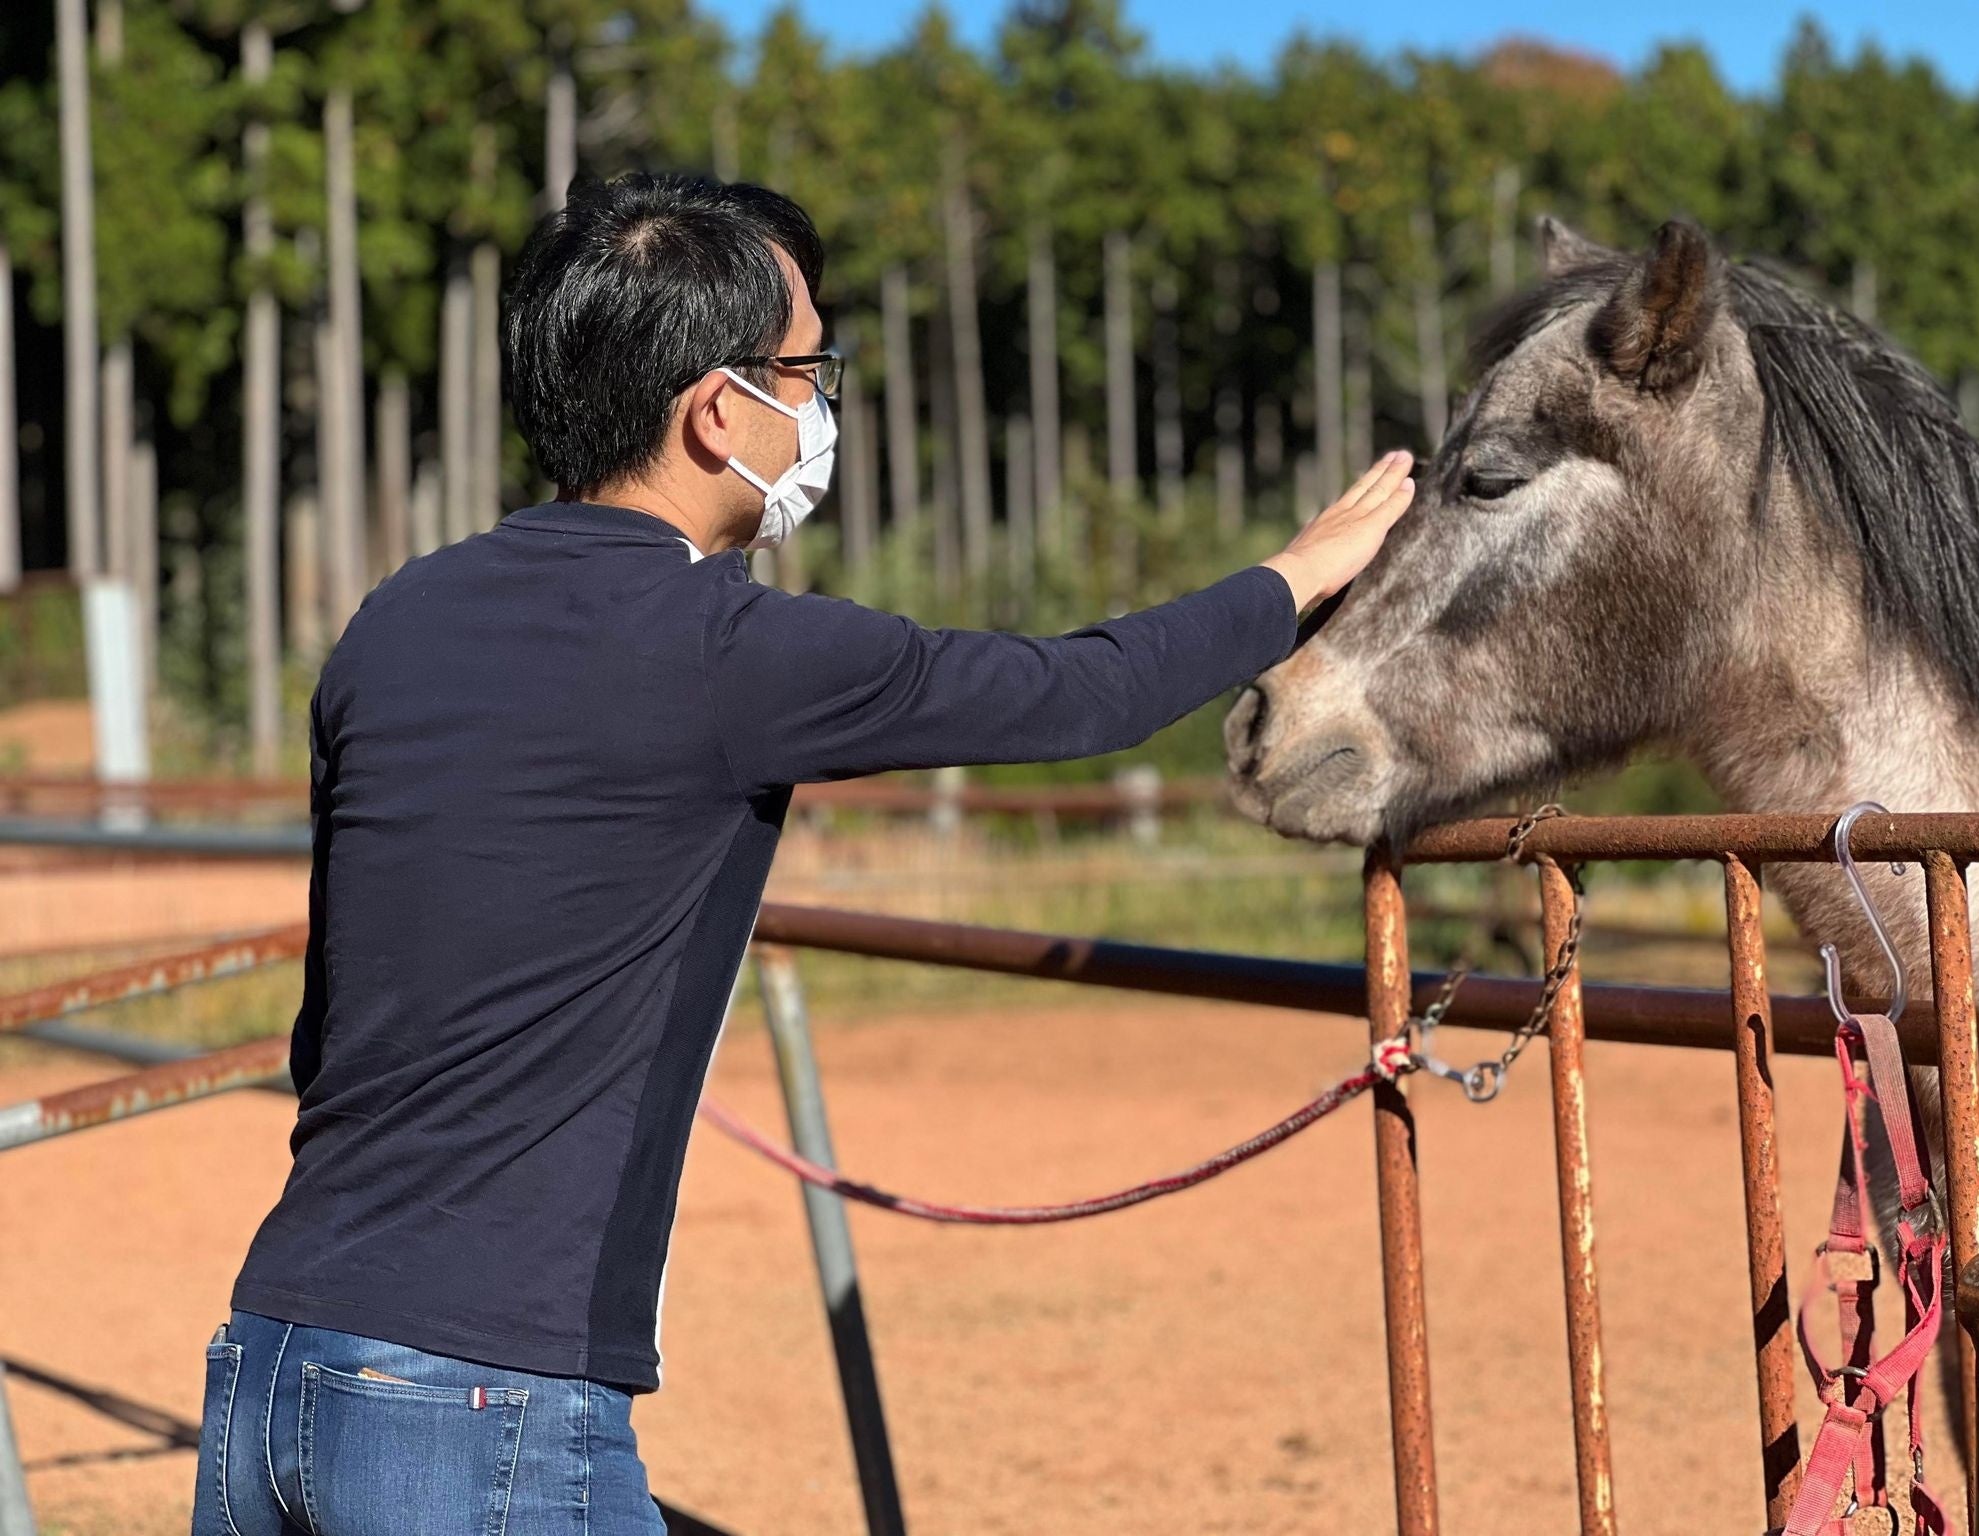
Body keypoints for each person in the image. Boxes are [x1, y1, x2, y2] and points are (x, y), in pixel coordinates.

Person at [190, 172, 1413, 1535]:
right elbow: (1080, 694)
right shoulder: (726, 645)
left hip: (269, 1370)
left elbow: (332, 1028)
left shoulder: (396, 622)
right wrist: (1297, 575)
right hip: (484, 1406)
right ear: (718, 410)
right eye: (806, 369)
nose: (821, 409)